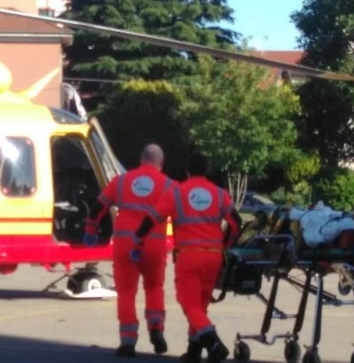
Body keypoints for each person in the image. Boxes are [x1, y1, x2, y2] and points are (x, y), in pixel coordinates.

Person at [134, 153, 241, 363]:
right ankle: (194, 350)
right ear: (207, 170)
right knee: (200, 306)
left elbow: (152, 218)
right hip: (214, 256)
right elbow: (236, 222)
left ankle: (214, 344)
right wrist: (226, 243)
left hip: (189, 256)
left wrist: (138, 239)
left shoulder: (177, 193)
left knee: (188, 303)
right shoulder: (220, 194)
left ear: (187, 170)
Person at [84, 144, 173, 357]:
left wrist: (91, 230)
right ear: (160, 164)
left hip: (125, 245)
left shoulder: (121, 181)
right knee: (154, 289)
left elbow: (99, 207)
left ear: (141, 160)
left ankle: (128, 341)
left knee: (126, 294)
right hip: (154, 246)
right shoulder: (169, 185)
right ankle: (156, 329)